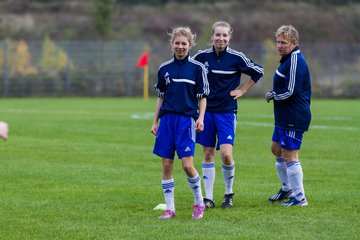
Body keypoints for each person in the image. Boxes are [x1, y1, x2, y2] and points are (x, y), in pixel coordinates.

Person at [193, 21, 264, 209]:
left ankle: (228, 193)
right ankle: (208, 198)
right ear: (212, 37)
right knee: (207, 154)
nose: (221, 38)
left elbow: (258, 71)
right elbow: (190, 73)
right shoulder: (201, 57)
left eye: (224, 35)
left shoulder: (237, 57)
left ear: (229, 37)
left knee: (225, 154)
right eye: (218, 35)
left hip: (226, 112)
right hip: (206, 112)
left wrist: (242, 90)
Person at [151, 26, 210, 219]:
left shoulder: (197, 68)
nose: (180, 46)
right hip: (167, 121)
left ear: (190, 45)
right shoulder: (164, 69)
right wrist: (155, 122)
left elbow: (202, 97)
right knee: (167, 165)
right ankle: (170, 209)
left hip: (186, 121)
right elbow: (160, 97)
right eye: (177, 43)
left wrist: (200, 118)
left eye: (184, 43)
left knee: (186, 165)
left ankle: (199, 203)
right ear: (172, 44)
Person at [265, 25, 311, 206]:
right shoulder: (286, 59)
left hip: (294, 116)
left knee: (290, 155)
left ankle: (300, 198)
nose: (279, 45)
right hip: (284, 116)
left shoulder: (295, 60)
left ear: (293, 43)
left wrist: (273, 94)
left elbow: (291, 91)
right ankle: (287, 188)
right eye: (277, 41)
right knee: (276, 149)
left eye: (283, 42)